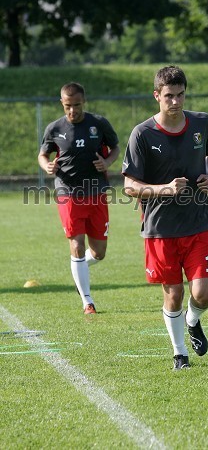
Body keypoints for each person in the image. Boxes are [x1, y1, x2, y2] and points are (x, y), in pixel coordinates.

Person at [122, 65, 208, 370]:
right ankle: (180, 354)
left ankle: (193, 322)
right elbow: (128, 186)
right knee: (174, 293)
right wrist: (163, 189)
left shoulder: (202, 123)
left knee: (202, 294)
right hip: (160, 229)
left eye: (180, 95)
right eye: (168, 96)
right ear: (157, 96)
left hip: (198, 223)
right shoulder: (142, 133)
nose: (175, 101)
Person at [38, 82, 120, 314]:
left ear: (83, 102)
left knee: (98, 252)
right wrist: (47, 166)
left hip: (96, 192)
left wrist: (107, 162)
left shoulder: (99, 124)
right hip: (68, 191)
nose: (72, 111)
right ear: (62, 104)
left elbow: (114, 148)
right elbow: (43, 154)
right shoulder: (54, 128)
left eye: (76, 105)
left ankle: (78, 267)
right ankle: (87, 301)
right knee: (76, 243)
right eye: (67, 106)